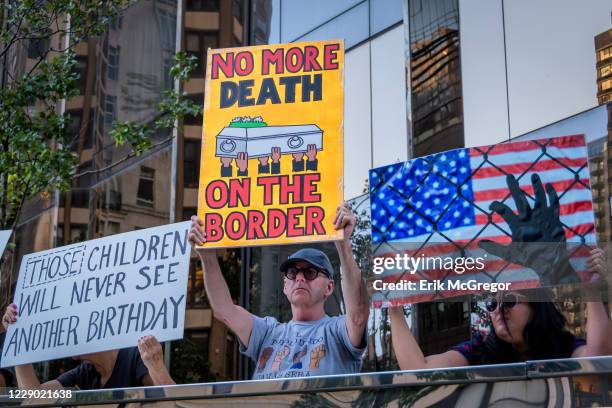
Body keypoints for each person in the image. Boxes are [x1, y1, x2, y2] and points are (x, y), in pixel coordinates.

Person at [188, 202, 369, 380]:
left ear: (329, 287)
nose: (300, 278)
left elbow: (358, 315)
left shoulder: (336, 331)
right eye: (292, 273)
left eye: (310, 272)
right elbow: (224, 310)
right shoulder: (267, 332)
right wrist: (207, 256)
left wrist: (343, 243)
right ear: (285, 286)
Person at [390, 248, 612, 370]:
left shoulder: (562, 346)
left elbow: (599, 359)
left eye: (510, 301)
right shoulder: (481, 349)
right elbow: (418, 368)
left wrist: (592, 292)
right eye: (493, 303)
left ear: (538, 307)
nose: (498, 310)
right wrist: (394, 308)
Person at [2, 304, 175, 389]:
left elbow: (172, 402)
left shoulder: (135, 356)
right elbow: (35, 398)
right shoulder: (85, 372)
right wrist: (18, 340)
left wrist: (157, 367)